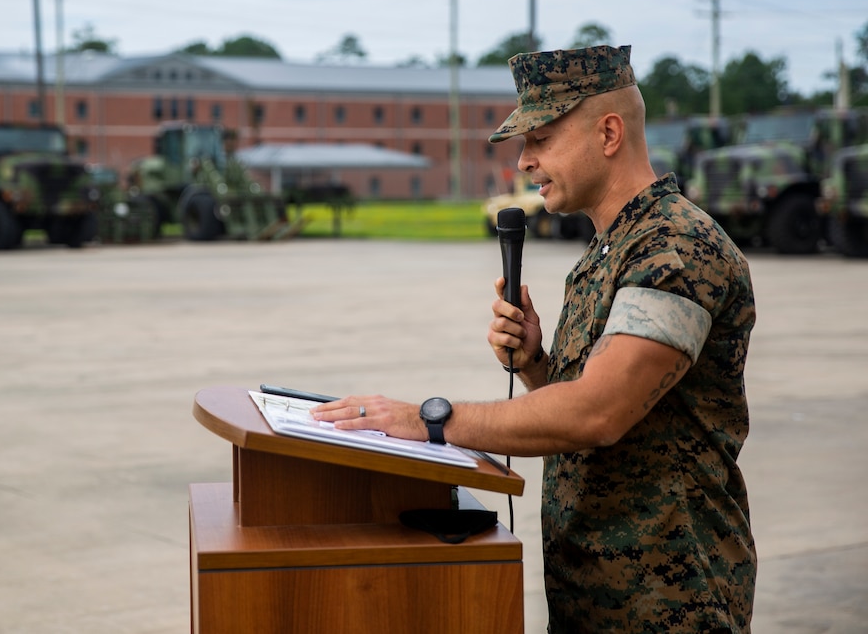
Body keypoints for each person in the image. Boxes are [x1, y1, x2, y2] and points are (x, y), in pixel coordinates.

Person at [312, 45, 757, 633]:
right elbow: (603, 413)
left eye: (540, 139)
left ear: (608, 133)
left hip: (672, 605)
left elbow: (599, 412)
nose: (525, 162)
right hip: (595, 601)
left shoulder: (675, 250)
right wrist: (537, 363)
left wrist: (428, 419)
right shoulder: (611, 248)